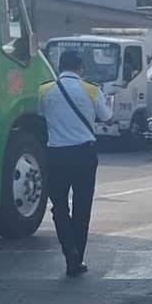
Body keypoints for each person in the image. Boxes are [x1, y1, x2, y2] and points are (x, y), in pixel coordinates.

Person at [39, 51, 113, 277]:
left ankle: (68, 249)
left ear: (60, 67)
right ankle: (77, 258)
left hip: (56, 155)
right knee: (82, 208)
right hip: (84, 155)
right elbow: (107, 117)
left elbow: (41, 116)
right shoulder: (91, 89)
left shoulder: (44, 90)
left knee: (59, 206)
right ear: (80, 68)